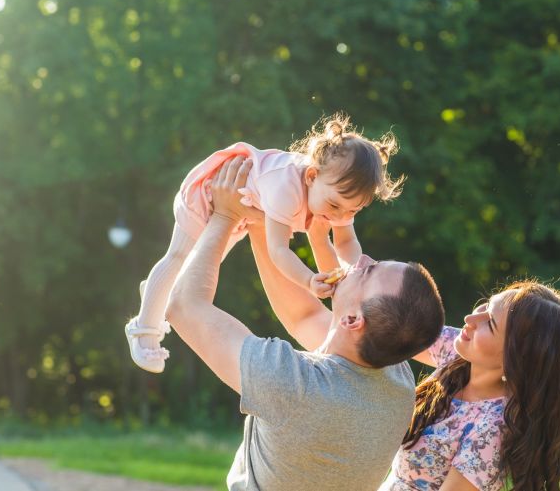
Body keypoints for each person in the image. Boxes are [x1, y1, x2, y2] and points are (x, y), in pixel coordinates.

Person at [164, 156, 445, 491]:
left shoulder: (294, 386)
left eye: (370, 271)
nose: (364, 259)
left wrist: (225, 215)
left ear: (353, 320)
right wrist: (262, 222)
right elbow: (305, 316)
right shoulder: (394, 376)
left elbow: (184, 307)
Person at [126, 112, 404, 373]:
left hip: (243, 207)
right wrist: (309, 281)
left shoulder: (335, 195)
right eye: (335, 206)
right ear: (311, 176)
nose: (340, 216)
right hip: (213, 190)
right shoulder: (287, 189)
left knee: (194, 269)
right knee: (178, 258)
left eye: (352, 211)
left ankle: (155, 293)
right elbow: (278, 249)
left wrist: (355, 277)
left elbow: (345, 243)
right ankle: (144, 328)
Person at [380, 282, 560, 491]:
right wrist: (350, 253)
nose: (471, 319)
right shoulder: (460, 355)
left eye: (491, 323)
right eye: (487, 305)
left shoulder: (491, 430)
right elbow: (389, 322)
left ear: (514, 359)